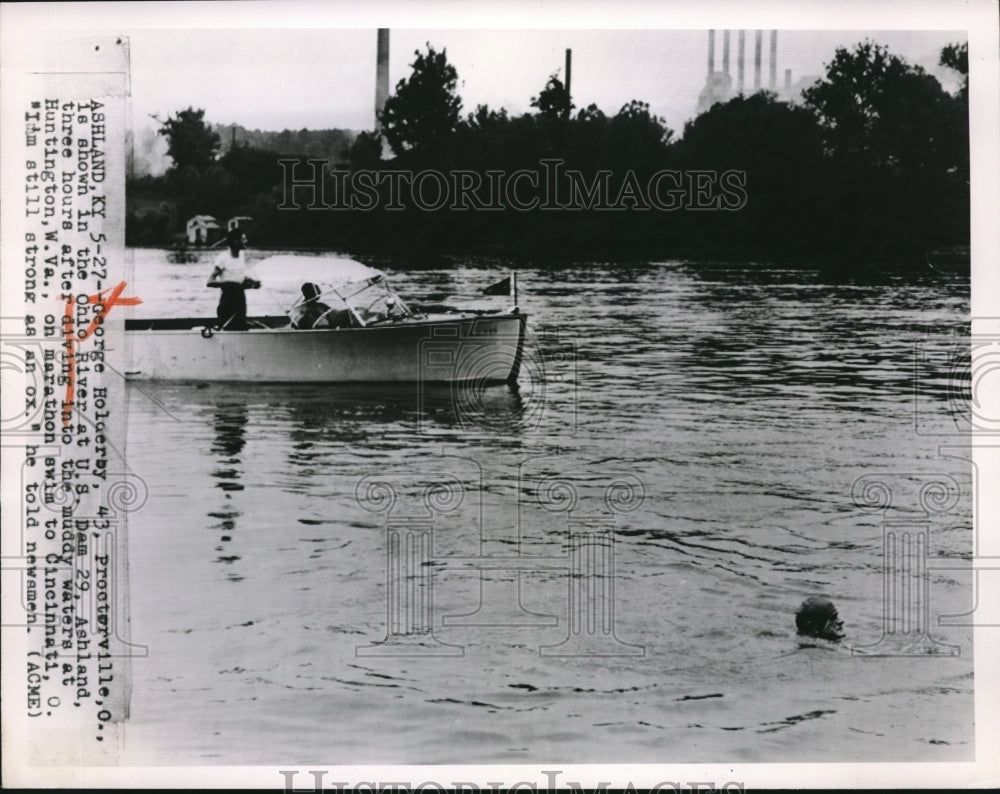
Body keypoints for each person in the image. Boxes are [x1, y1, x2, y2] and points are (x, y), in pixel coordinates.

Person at [207, 228, 260, 330]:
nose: (246, 241)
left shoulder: (241, 255)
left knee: (241, 329)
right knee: (227, 330)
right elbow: (210, 282)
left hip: (240, 299)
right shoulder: (222, 258)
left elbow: (238, 276)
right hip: (228, 301)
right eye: (243, 239)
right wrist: (229, 283)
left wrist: (252, 282)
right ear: (235, 241)